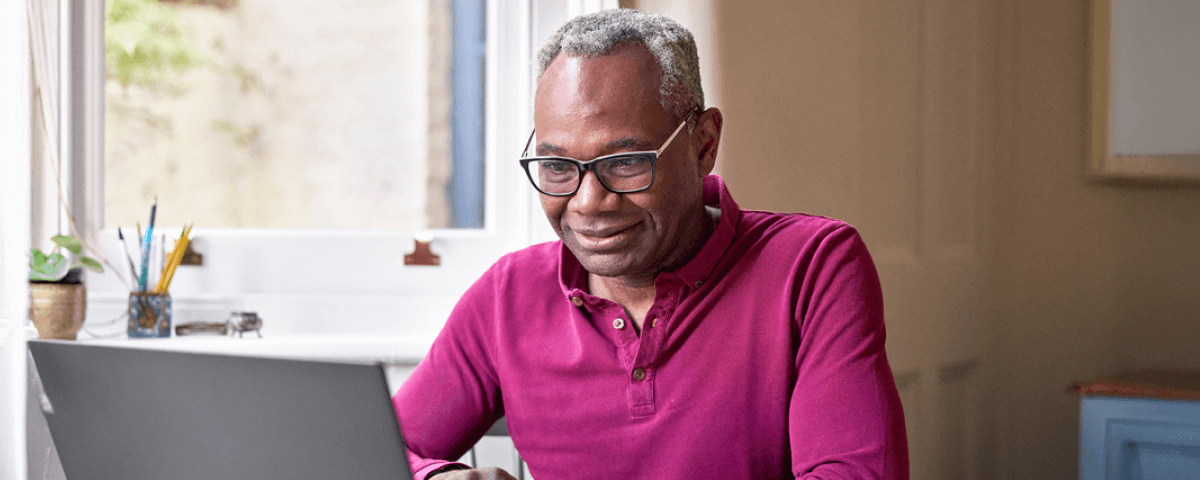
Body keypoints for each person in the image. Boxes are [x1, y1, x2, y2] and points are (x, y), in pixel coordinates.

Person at [393, 9, 908, 480]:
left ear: (703, 144)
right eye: (557, 167)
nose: (588, 202)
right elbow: (382, 452)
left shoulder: (813, 265)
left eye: (625, 162)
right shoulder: (508, 295)